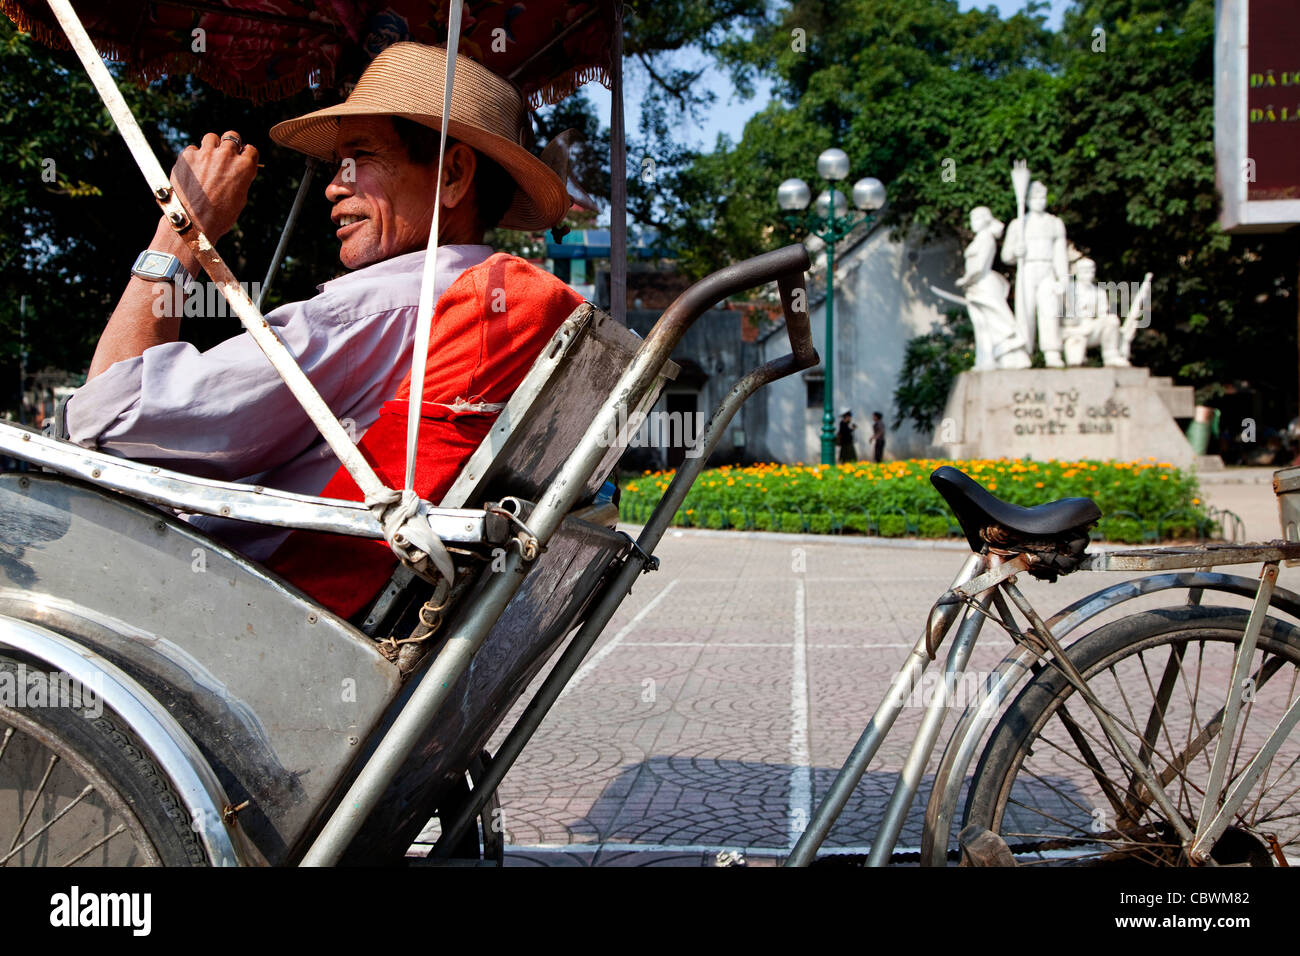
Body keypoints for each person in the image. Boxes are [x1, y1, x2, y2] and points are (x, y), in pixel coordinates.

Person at [63, 42, 581, 618]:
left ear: (453, 174)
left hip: (222, 613)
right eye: (338, 166)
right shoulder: (480, 309)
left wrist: (181, 229)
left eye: (359, 158)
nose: (336, 187)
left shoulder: (377, 309)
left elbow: (106, 419)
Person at [1001, 181, 1069, 366]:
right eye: (1035, 197)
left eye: (1042, 197)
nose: (1039, 201)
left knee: (1049, 311)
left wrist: (1063, 278)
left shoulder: (1054, 223)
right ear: (1028, 200)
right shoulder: (1018, 224)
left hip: (1047, 269)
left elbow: (1060, 254)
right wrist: (1017, 251)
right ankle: (1024, 352)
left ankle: (1052, 352)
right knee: (1025, 312)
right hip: (1027, 270)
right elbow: (1006, 255)